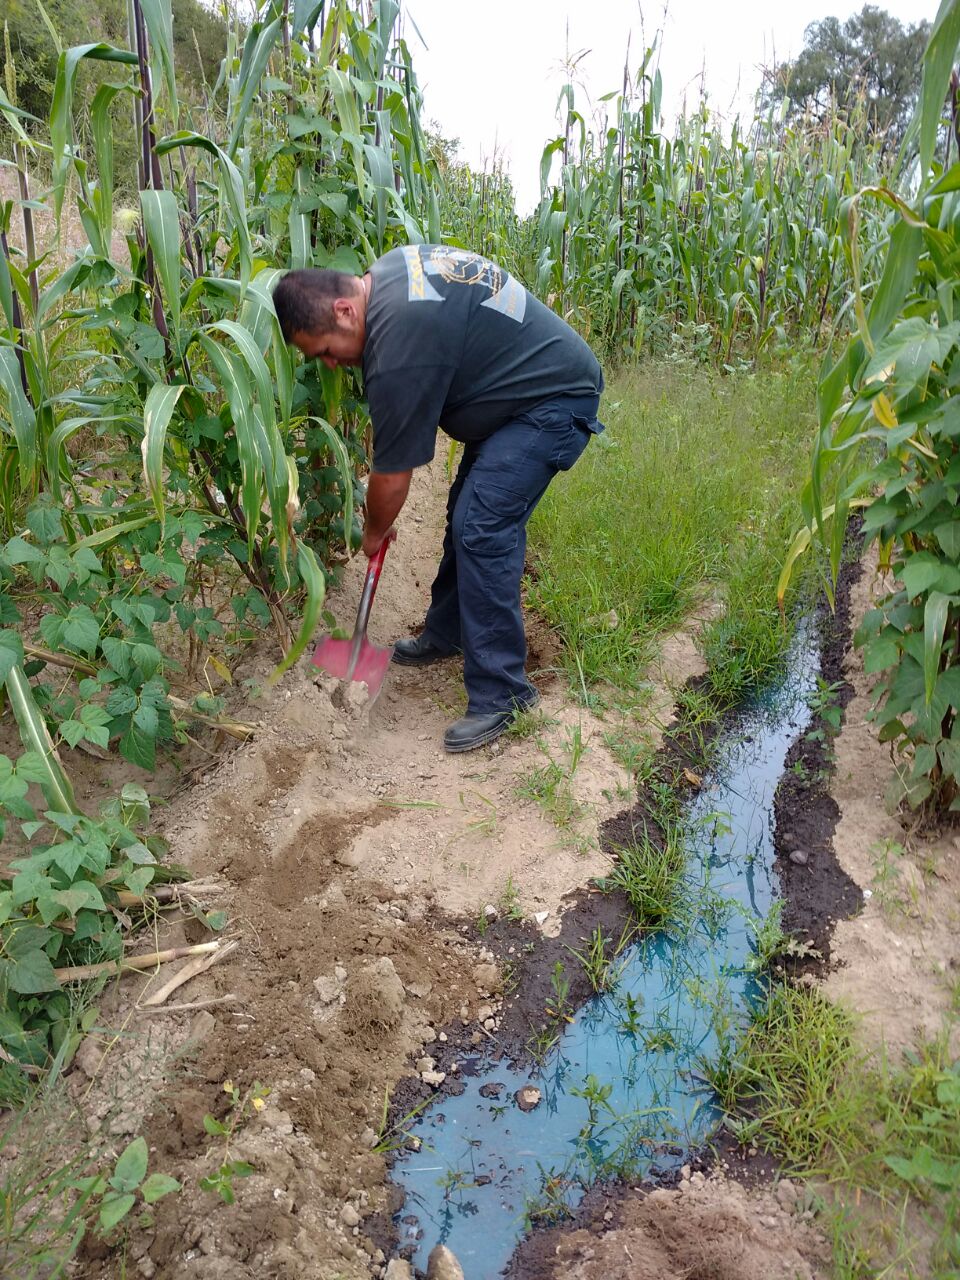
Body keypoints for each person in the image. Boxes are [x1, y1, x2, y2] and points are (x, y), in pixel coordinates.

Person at [273, 245, 604, 753]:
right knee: (466, 511)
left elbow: (392, 475)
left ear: (343, 310)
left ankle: (503, 695)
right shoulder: (383, 276)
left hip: (551, 401)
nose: (334, 366)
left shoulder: (399, 341)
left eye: (326, 351)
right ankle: (447, 631)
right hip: (517, 400)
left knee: (483, 525)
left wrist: (375, 530)